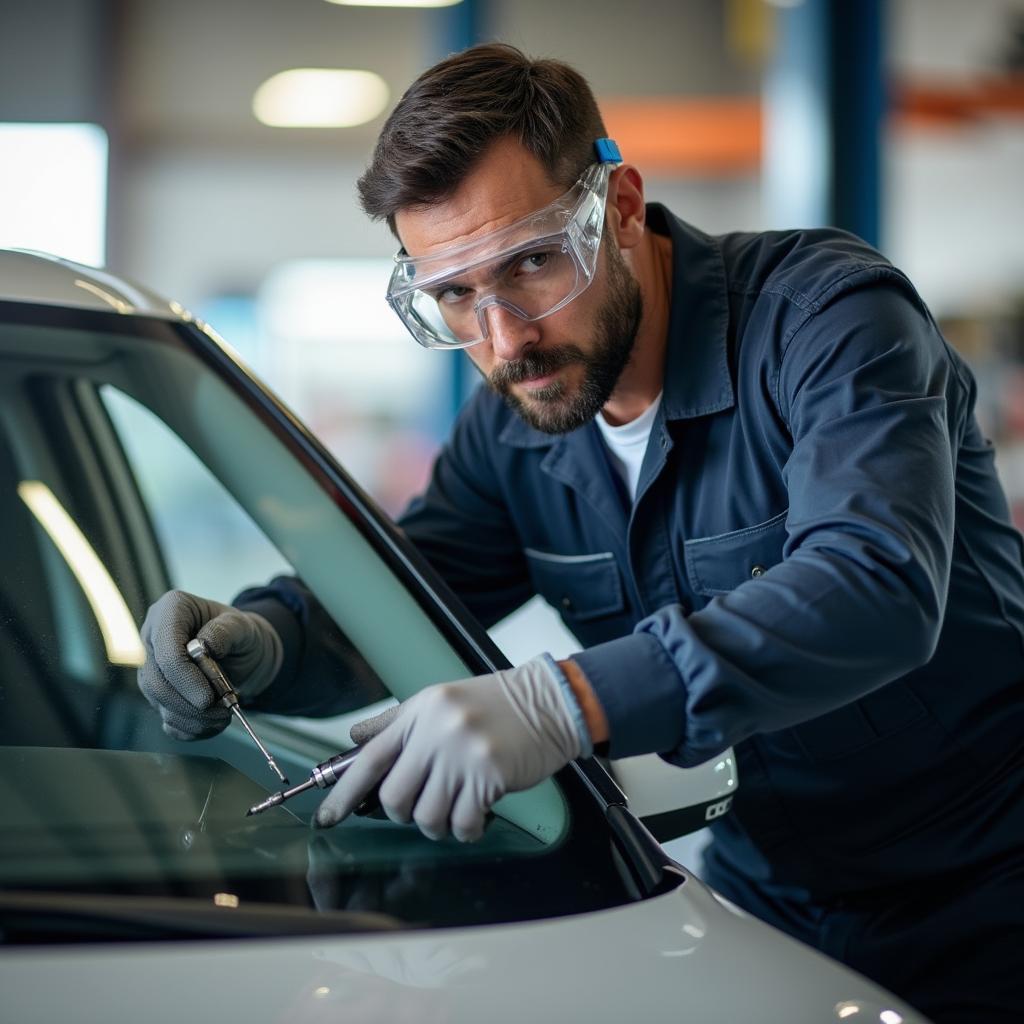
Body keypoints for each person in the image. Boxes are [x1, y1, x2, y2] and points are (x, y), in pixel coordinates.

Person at [139, 44, 1024, 1022]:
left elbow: (876, 586)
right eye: (454, 296)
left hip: (989, 890)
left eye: (530, 261)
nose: (505, 336)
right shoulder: (516, 427)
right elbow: (407, 596)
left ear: (622, 204)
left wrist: (562, 702)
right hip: (767, 894)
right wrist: (269, 639)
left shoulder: (826, 320)